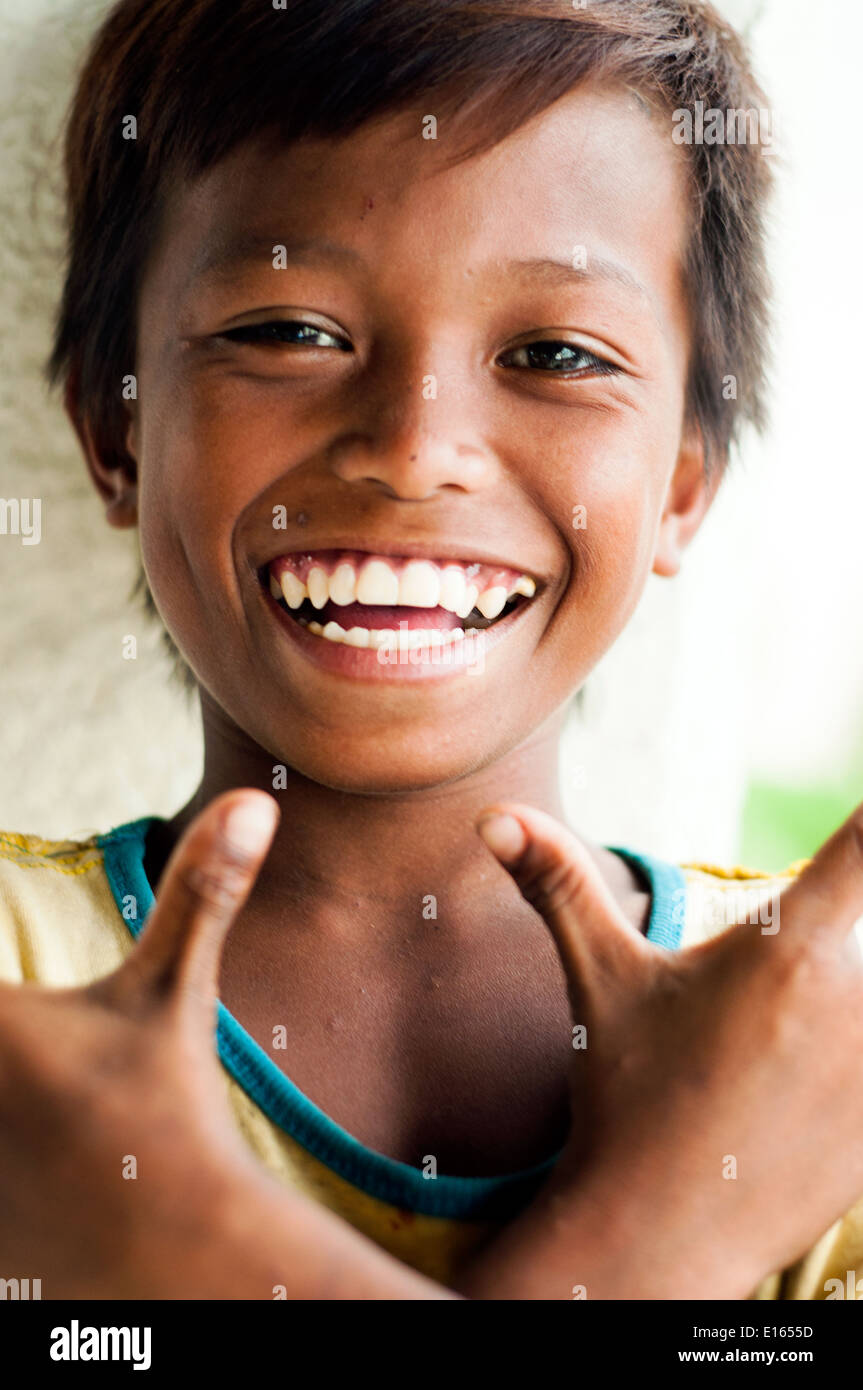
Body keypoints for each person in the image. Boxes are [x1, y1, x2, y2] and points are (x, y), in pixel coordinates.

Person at [2, 0, 862, 1300]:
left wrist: (165, 1251)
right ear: (114, 431)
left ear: (685, 483)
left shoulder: (818, 1046)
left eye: (557, 353)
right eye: (287, 330)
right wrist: (678, 1230)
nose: (413, 449)